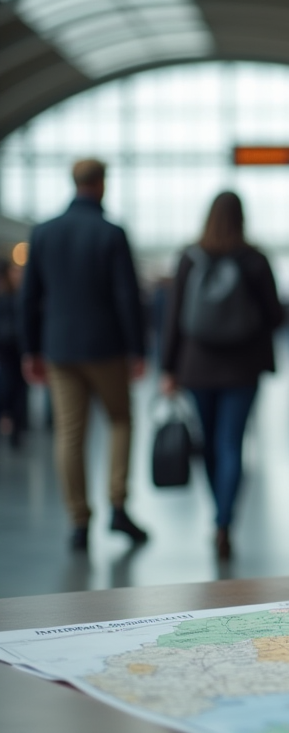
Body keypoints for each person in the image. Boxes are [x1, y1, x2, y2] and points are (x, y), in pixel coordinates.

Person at [19, 158, 148, 551]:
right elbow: (127, 296)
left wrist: (31, 350)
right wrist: (137, 349)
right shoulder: (111, 232)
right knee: (120, 419)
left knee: (70, 435)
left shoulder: (43, 233)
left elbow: (29, 298)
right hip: (105, 347)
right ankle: (118, 505)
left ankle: (79, 520)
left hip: (59, 349)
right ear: (101, 184)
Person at [160, 191, 283, 559]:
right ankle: (224, 522)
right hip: (242, 367)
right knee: (232, 443)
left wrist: (168, 368)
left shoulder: (189, 257)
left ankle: (218, 512)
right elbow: (275, 315)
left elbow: (174, 318)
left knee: (209, 445)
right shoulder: (255, 259)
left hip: (196, 366)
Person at [0, 258, 27, 448]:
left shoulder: (14, 295)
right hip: (14, 345)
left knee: (12, 385)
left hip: (12, 347)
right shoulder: (16, 295)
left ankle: (13, 422)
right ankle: (13, 423)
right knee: (13, 386)